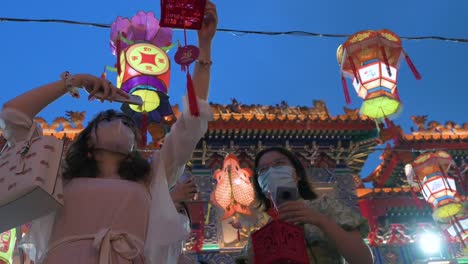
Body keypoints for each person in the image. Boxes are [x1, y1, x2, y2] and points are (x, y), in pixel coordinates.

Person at [0, 2, 218, 263]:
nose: (120, 121)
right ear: (87, 141)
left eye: (126, 122)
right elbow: (14, 115)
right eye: (106, 118)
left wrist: (204, 47)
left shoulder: (151, 177)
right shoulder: (58, 173)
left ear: (134, 145)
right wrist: (75, 81)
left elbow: (192, 121)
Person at [241, 147, 373, 264]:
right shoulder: (259, 233)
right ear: (259, 184)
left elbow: (364, 260)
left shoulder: (326, 207)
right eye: (263, 169)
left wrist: (320, 220)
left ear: (297, 174)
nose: (271, 171)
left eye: (279, 163)